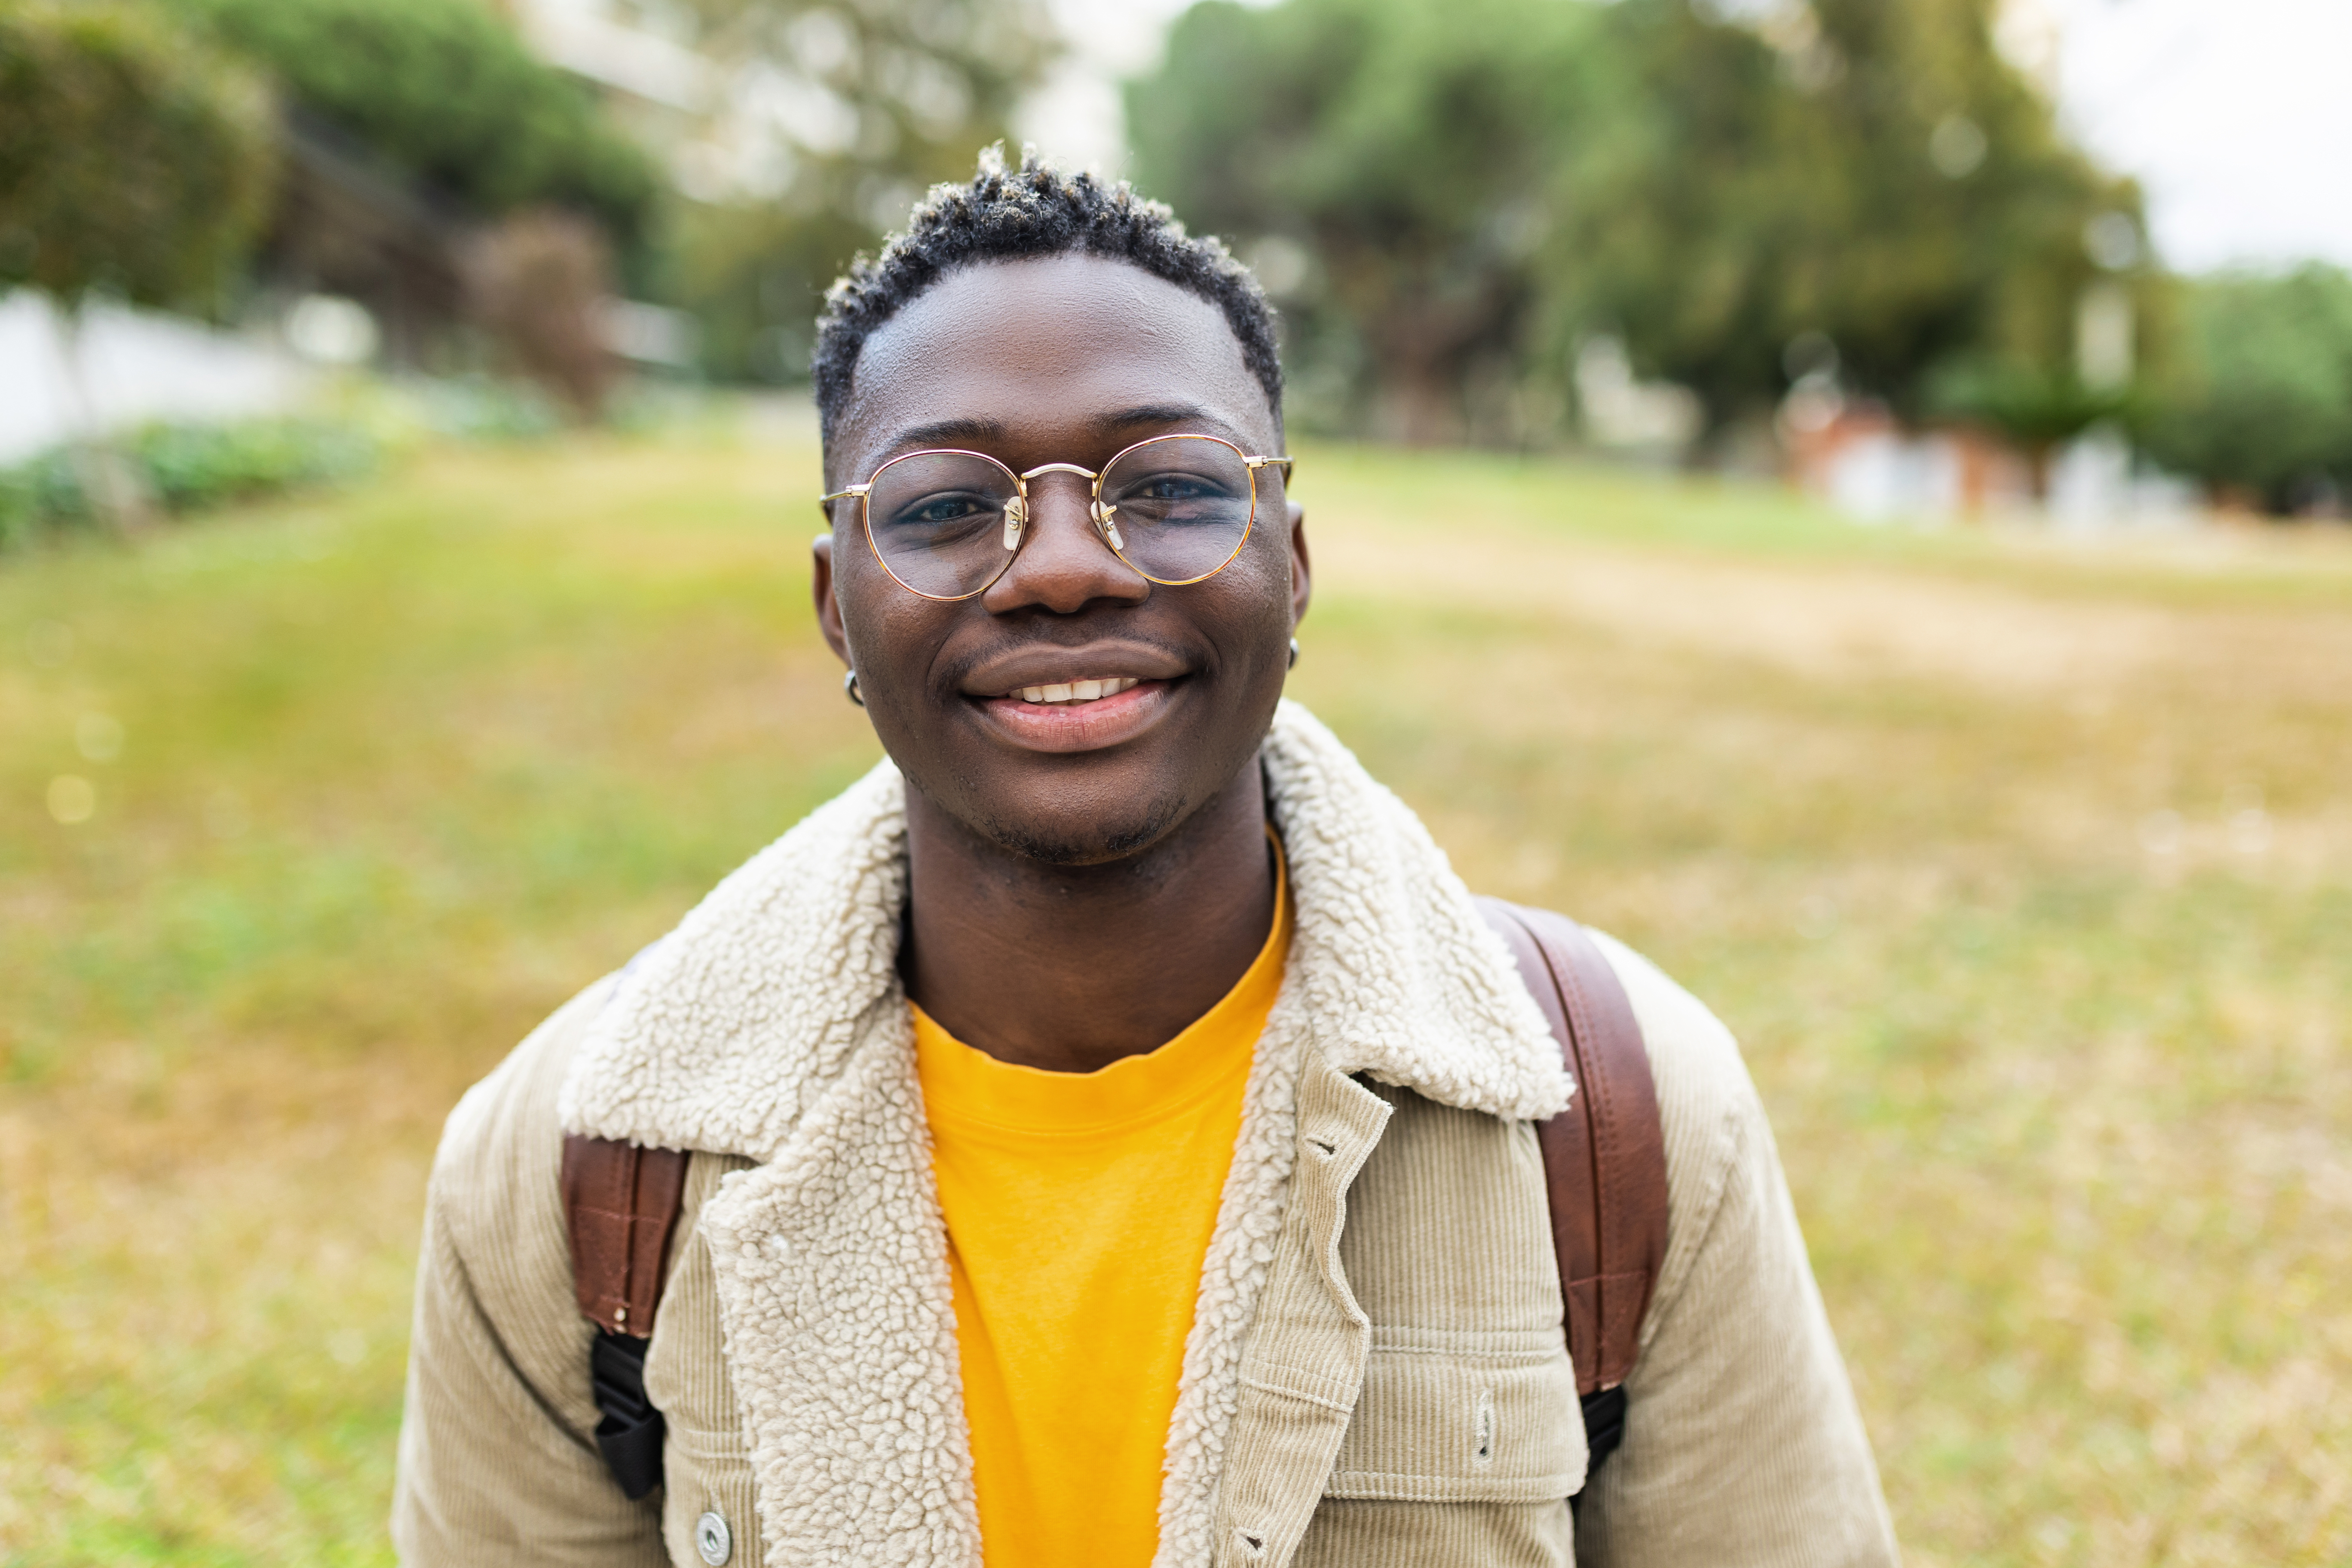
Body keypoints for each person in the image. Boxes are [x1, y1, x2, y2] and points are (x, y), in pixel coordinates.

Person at [391, 151, 1899, 1568]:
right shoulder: (567, 1175)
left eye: (1170, 489)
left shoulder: (1622, 1119)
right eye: (942, 509)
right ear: (837, 610)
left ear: (1289, 566)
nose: (1058, 565)